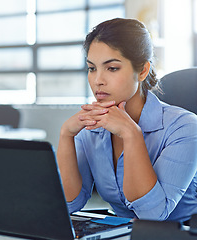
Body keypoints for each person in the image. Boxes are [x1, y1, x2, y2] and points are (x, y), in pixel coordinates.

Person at [57, 18, 197, 223]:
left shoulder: (185, 127)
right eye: (92, 68)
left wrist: (131, 134)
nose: (98, 80)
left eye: (112, 68)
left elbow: (153, 215)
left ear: (142, 71)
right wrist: (66, 135)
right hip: (121, 233)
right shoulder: (90, 127)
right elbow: (70, 204)